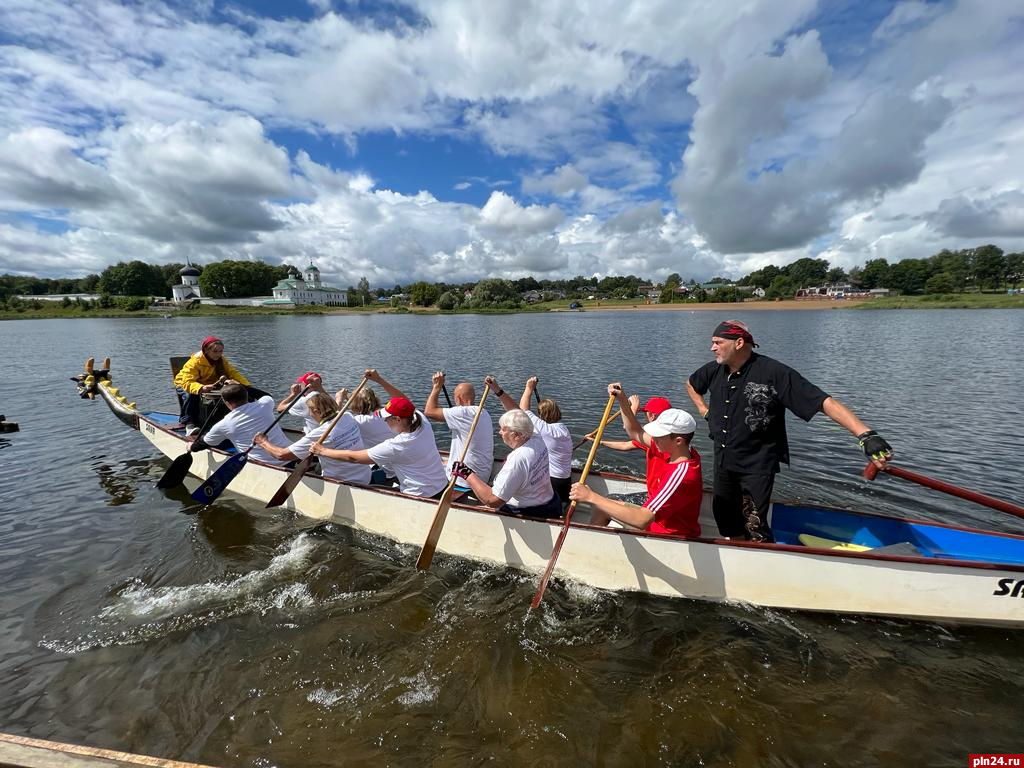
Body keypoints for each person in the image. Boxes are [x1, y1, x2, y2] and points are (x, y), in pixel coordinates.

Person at [686, 319, 893, 542]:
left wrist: (866, 434)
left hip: (756, 465)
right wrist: (704, 410)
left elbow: (822, 402)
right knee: (725, 519)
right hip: (723, 461)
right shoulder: (714, 370)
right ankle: (737, 551)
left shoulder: (774, 373)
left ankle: (761, 558)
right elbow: (691, 383)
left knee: (753, 523)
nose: (712, 348)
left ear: (738, 343)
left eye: (717, 342)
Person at [569, 384, 702, 537]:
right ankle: (592, 542)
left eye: (659, 436)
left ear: (678, 440)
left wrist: (590, 497)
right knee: (602, 507)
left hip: (665, 533)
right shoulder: (677, 451)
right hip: (660, 520)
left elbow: (642, 520)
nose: (654, 440)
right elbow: (635, 432)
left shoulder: (681, 474)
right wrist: (623, 400)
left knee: (600, 504)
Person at [310, 393, 448, 499]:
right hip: (443, 487)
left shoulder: (396, 446)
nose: (384, 421)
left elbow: (354, 458)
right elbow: (402, 398)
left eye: (386, 418)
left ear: (398, 419)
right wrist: (378, 379)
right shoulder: (422, 421)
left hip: (420, 496)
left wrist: (323, 451)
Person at [451, 409, 561, 519]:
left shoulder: (518, 459)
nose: (500, 432)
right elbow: (519, 412)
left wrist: (466, 473)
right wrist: (498, 392)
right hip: (553, 502)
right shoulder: (536, 437)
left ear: (517, 435)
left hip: (531, 510)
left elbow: (492, 500)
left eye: (503, 429)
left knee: (482, 508)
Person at [486, 375, 572, 503]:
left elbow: (521, 412)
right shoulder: (563, 430)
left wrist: (529, 388)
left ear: (541, 415)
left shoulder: (545, 431)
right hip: (566, 482)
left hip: (552, 482)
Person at [253, 393, 370, 484]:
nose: (310, 414)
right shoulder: (347, 416)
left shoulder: (320, 433)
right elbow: (337, 411)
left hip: (342, 481)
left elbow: (281, 455)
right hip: (365, 476)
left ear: (315, 411)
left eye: (310, 411)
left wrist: (263, 441)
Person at [189, 383, 289, 466]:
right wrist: (241, 385)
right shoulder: (265, 405)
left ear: (226, 402)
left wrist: (191, 447)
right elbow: (266, 395)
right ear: (246, 395)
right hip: (289, 456)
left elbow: (204, 443)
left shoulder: (224, 424)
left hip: (264, 465)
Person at [424, 371, 494, 482]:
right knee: (441, 463)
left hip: (464, 479)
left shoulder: (462, 413)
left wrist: (437, 387)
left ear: (459, 398)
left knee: (423, 468)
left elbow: (429, 411)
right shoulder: (484, 413)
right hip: (483, 475)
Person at [174, 336, 252, 432]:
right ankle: (189, 423)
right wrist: (201, 388)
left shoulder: (222, 360)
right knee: (192, 394)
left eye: (220, 351)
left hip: (209, 384)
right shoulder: (195, 362)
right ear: (206, 350)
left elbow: (233, 373)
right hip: (184, 384)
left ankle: (236, 420)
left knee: (235, 391)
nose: (218, 354)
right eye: (215, 351)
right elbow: (187, 382)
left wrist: (247, 386)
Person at [585, 395, 672, 452]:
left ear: (651, 416)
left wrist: (632, 408)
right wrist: (599, 441)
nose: (645, 417)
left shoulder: (655, 438)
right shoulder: (674, 435)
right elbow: (625, 445)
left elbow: (628, 428)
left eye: (645, 413)